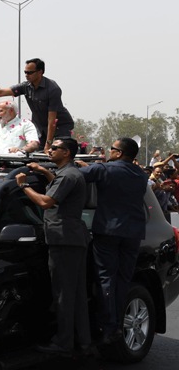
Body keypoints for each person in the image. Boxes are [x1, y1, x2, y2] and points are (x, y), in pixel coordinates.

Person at [16, 137, 90, 355]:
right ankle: (83, 341)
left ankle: (63, 341)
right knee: (75, 294)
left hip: (65, 241)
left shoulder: (68, 176)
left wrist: (24, 185)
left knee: (63, 294)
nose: (49, 151)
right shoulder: (69, 174)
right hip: (71, 239)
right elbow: (56, 187)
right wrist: (42, 171)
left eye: (54, 148)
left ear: (66, 153)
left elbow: (45, 202)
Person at [76, 137, 148, 344]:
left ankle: (109, 327)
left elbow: (72, 176)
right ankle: (117, 325)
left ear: (119, 153)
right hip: (133, 233)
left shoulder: (104, 170)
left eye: (112, 149)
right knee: (122, 280)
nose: (109, 152)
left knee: (106, 278)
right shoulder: (141, 175)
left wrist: (87, 166)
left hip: (108, 232)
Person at [0, 58, 74, 151]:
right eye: (25, 72)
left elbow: (52, 120)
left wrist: (49, 144)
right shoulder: (26, 86)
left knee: (59, 151)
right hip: (40, 127)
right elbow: (2, 91)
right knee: (38, 153)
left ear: (40, 72)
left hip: (60, 126)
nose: (26, 75)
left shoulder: (52, 89)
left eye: (30, 72)